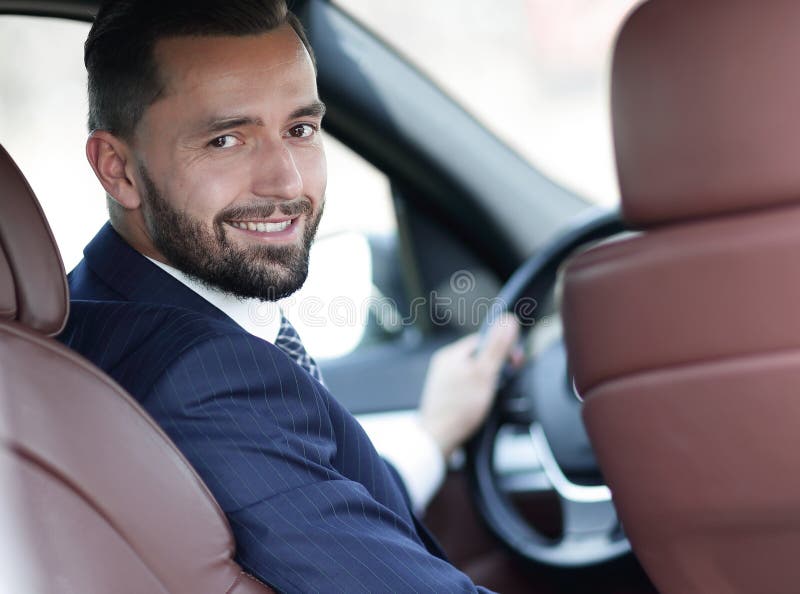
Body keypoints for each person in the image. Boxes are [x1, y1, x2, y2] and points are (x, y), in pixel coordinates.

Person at [59, 0, 520, 591]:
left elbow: (297, 508)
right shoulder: (202, 378)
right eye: (226, 140)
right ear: (117, 168)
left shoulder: (93, 314)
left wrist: (430, 437)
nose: (287, 181)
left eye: (300, 130)